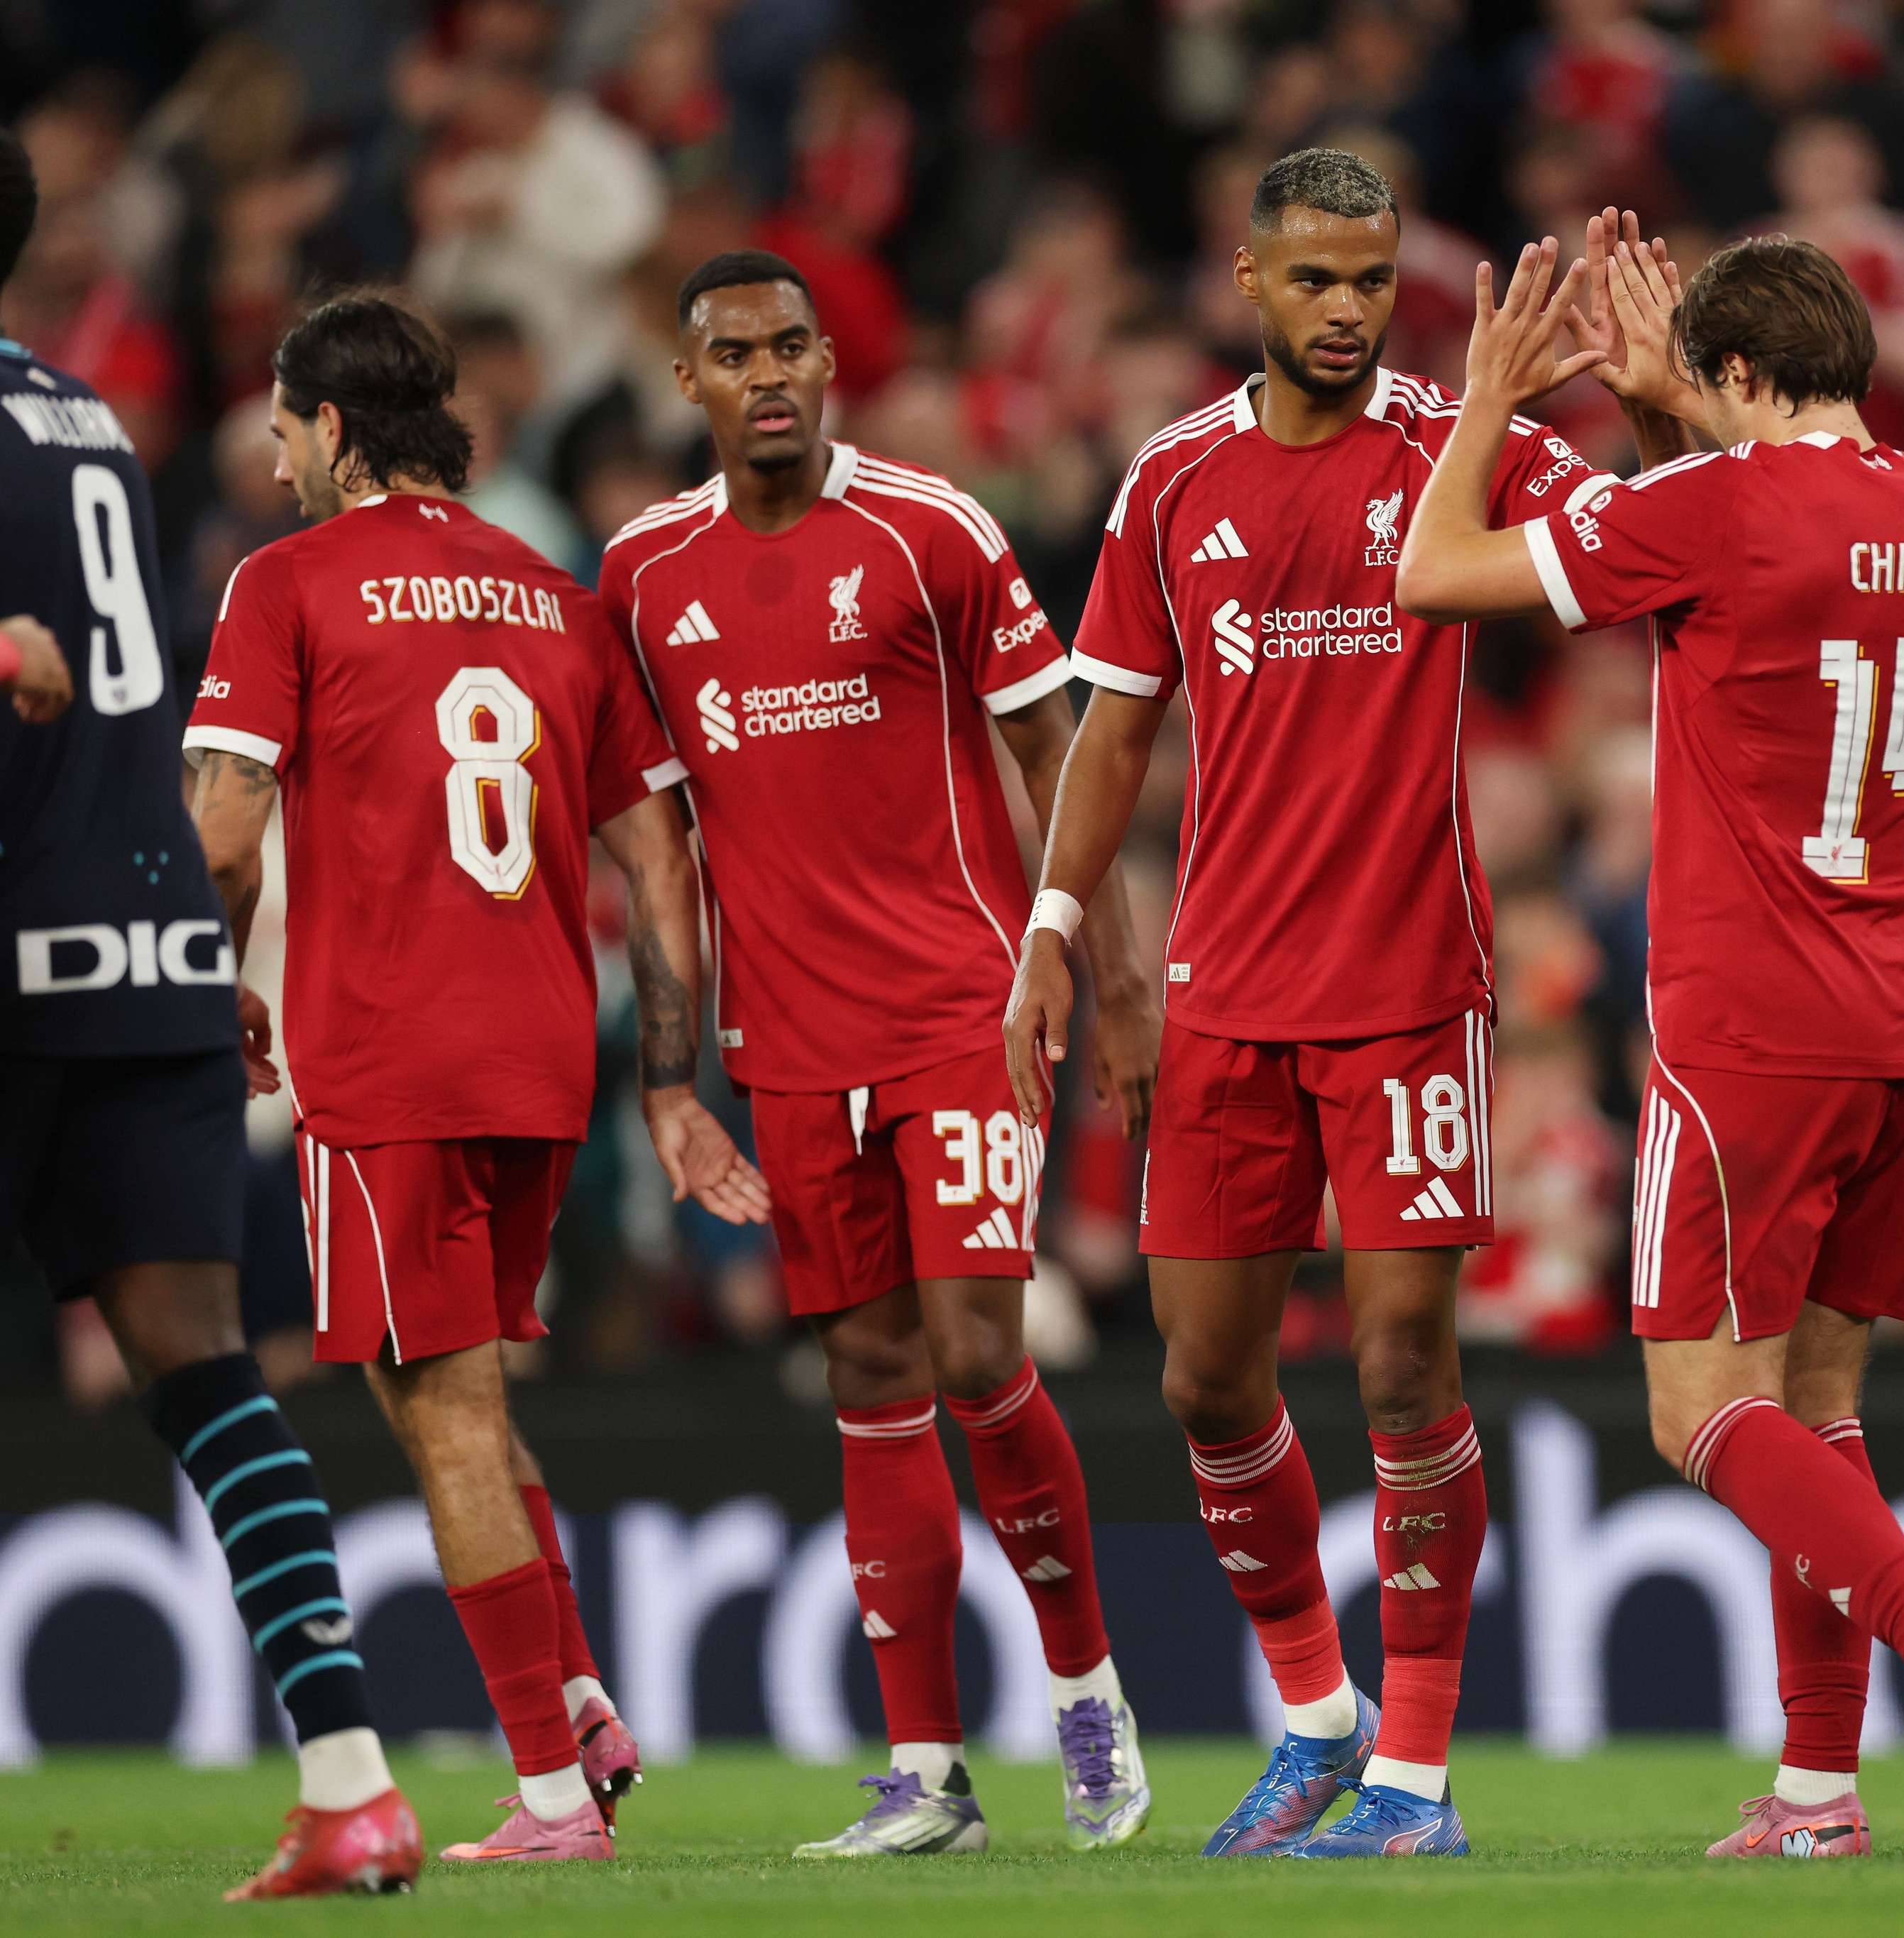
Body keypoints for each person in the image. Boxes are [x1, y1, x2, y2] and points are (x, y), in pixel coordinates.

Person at [1395, 214, 1904, 1862]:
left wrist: (1490, 396)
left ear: (1747, 374)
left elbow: (1435, 574)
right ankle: (1822, 1793)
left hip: (1751, 1025)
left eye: (1708, 374)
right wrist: (1663, 410)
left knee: (1698, 1408)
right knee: (1812, 1407)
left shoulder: (1717, 502)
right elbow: (1738, 559)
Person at [1003, 147, 1592, 1860]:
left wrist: (1640, 392)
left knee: (1406, 1363)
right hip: (1227, 987)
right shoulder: (1173, 478)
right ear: (1248, 282)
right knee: (1204, 1379)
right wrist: (1055, 925)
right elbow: (1112, 727)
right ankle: (1319, 1720)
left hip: (1409, 982)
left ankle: (1415, 1775)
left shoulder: (1453, 443)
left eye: (1372, 275)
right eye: (1316, 277)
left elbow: (1641, 521)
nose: (1348, 308)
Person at [185, 292, 766, 1865]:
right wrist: (665, 1072)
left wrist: (212, 989)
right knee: (447, 1386)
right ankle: (575, 1695)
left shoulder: (284, 581)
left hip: (387, 1050)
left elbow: (227, 832)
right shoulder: (555, 597)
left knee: (437, 1407)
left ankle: (554, 1796)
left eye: (287, 421)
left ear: (337, 430)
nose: (270, 447)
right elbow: (658, 862)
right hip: (539, 1055)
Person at [598, 248, 1155, 1858]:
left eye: (791, 347)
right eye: (734, 355)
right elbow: (653, 850)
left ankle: (1084, 1689)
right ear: (688, 379)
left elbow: (1062, 747)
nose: (768, 376)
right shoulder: (641, 577)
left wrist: (1104, 970)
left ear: (828, 358)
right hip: (787, 1038)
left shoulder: (931, 530)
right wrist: (673, 1075)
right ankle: (928, 1772)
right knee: (867, 1376)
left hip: (959, 1012)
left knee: (979, 1351)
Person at [0, 132, 422, 1903]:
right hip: (158, 937)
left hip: (20, 942)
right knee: (207, 1370)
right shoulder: (84, 414)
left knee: (201, 1368)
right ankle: (352, 1785)